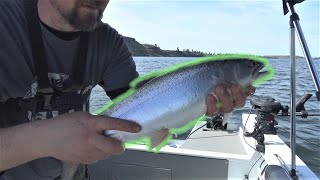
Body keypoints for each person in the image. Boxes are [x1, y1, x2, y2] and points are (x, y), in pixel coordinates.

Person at [0, 0, 256, 179]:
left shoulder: (107, 42)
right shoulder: (5, 25)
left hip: (72, 174)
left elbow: (143, 110)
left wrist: (197, 101)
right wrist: (42, 139)